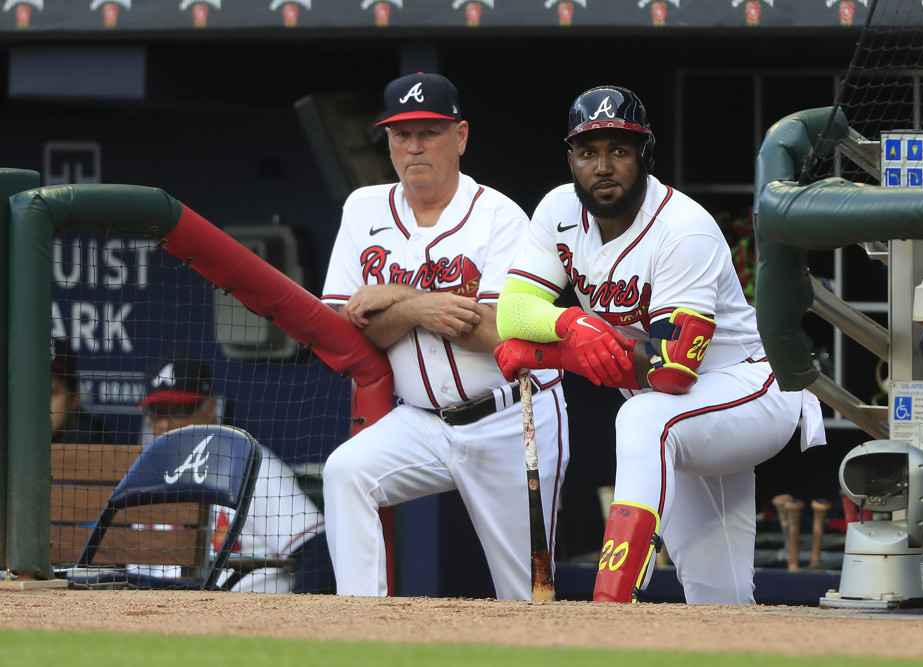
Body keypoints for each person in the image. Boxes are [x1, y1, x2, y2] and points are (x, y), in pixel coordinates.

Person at [493, 86, 825, 605]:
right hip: (684, 417)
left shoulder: (683, 228)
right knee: (719, 598)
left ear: (644, 156)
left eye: (619, 151)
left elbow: (671, 371)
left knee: (644, 417)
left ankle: (609, 603)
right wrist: (575, 326)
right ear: (571, 159)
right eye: (588, 152)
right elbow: (512, 311)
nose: (603, 166)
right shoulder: (558, 211)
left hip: (752, 387)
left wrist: (546, 353)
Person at [320, 72, 569, 600]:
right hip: (420, 423)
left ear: (460, 137)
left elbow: (492, 330)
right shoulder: (363, 209)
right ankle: (358, 633)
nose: (413, 147)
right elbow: (347, 330)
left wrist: (394, 298)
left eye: (429, 132)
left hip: (510, 417)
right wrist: (420, 306)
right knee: (347, 472)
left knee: (526, 596)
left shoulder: (500, 216)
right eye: (400, 134)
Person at [137, 355, 333, 594]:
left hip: (246, 614)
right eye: (156, 413)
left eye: (178, 410)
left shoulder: (252, 466)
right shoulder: (143, 477)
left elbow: (318, 553)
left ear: (211, 408)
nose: (165, 424)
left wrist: (297, 621)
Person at [50, 337, 116, 445]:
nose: (39, 407)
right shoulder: (13, 443)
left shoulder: (95, 449)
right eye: (29, 394)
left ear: (74, 399)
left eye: (50, 393)